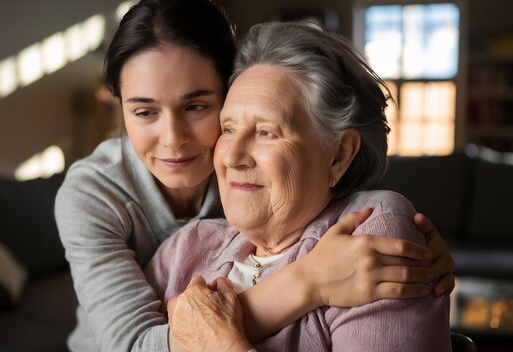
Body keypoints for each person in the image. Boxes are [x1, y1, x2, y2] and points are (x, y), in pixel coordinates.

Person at [54, 1, 454, 351]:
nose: (174, 140)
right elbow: (132, 346)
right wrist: (308, 282)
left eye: (196, 107)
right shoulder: (107, 200)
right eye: (144, 111)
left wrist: (402, 234)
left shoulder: (260, 176)